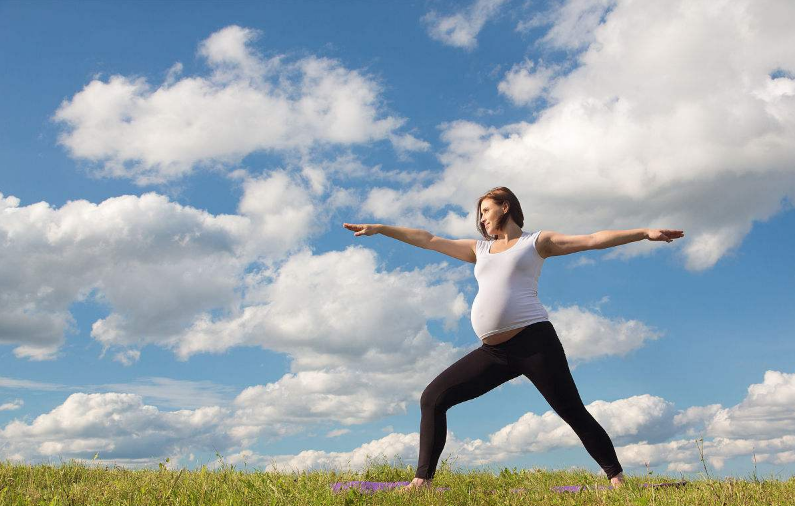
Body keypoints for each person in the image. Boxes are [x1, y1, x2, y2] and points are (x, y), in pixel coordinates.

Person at [342, 186, 684, 491]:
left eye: (486, 210)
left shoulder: (535, 243)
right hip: (493, 352)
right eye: (480, 214)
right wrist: (381, 229)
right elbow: (427, 239)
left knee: (570, 410)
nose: (481, 219)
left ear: (505, 207)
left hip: (535, 342)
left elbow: (593, 239)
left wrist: (643, 233)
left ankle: (616, 479)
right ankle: (423, 481)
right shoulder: (478, 249)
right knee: (433, 398)